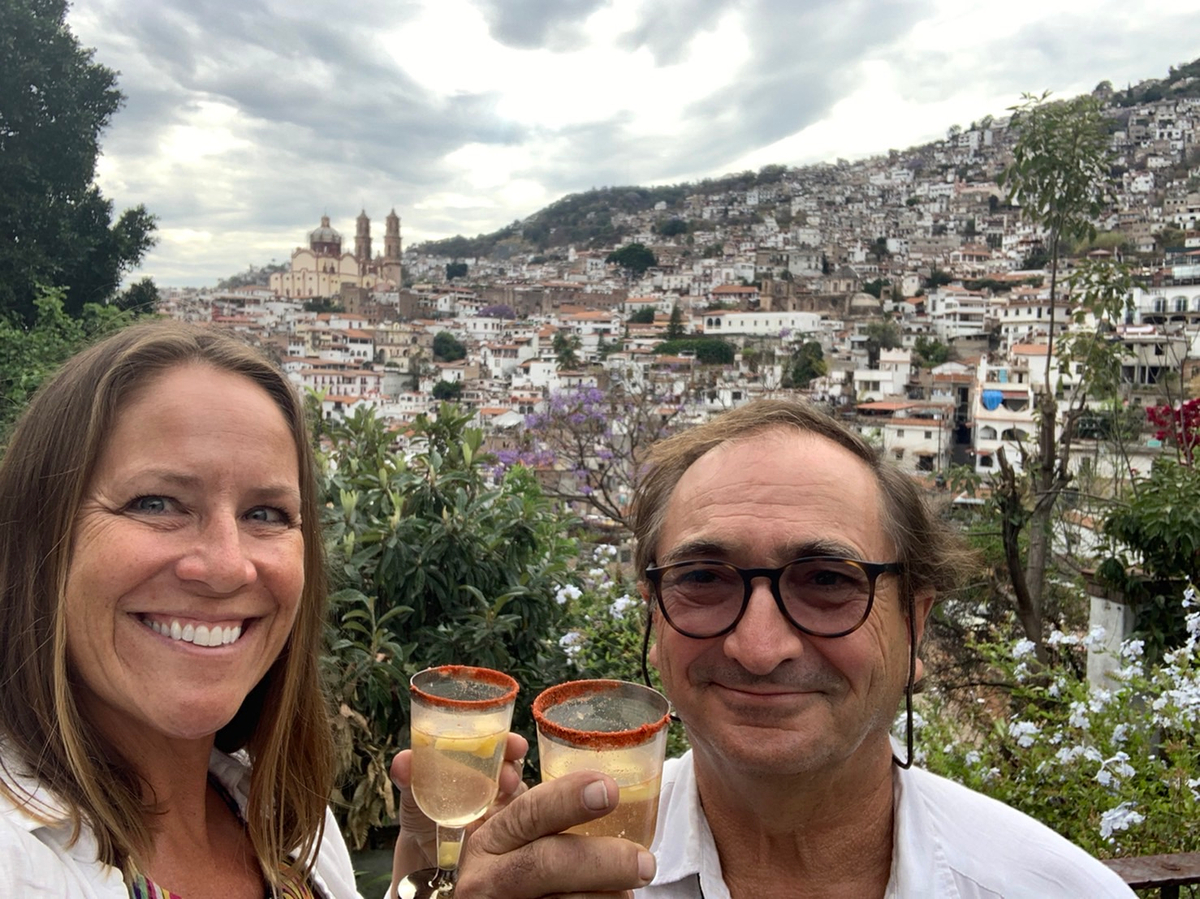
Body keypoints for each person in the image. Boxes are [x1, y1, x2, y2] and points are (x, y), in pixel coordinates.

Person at [0, 321, 652, 899]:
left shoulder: (281, 817)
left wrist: (429, 874)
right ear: (39, 535)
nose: (228, 565)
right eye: (156, 502)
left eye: (266, 513)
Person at [628, 399, 1135, 899]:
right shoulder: (578, 867)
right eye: (701, 577)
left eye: (827, 580)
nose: (760, 649)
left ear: (912, 624)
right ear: (656, 614)